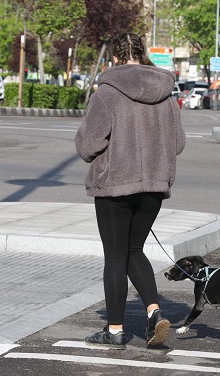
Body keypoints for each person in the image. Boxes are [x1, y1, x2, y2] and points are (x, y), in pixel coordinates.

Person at [75, 32, 186, 349]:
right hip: (153, 186)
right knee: (134, 250)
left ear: (113, 58)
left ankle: (114, 330)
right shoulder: (166, 94)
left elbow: (88, 144)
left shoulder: (107, 94)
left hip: (115, 186)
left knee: (115, 256)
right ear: (144, 54)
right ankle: (153, 312)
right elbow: (177, 144)